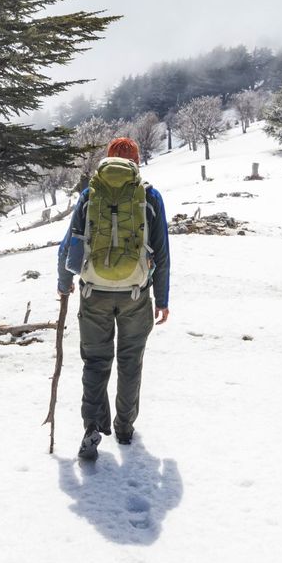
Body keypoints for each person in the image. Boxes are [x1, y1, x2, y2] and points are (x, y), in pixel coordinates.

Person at [57, 137, 170, 460]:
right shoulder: (148, 195)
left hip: (94, 293)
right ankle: (123, 428)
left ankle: (92, 426)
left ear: (108, 160)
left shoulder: (91, 194)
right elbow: (161, 252)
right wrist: (161, 299)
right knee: (130, 362)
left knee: (96, 362)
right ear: (137, 163)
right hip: (136, 294)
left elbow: (69, 245)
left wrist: (64, 282)